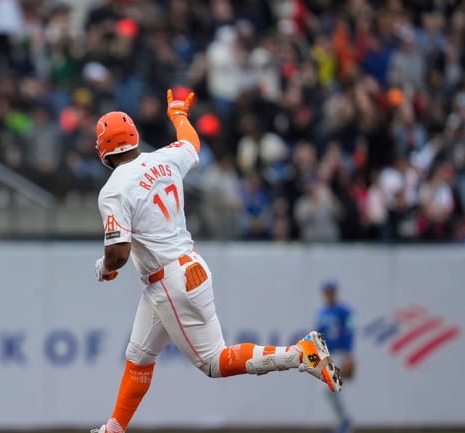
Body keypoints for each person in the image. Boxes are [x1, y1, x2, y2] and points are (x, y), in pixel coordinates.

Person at [91, 90, 343, 433]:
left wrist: (104, 268)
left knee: (214, 363)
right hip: (182, 268)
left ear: (104, 149)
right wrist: (179, 115)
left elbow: (118, 254)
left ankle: (301, 354)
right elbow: (191, 144)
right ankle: (114, 428)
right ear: (134, 137)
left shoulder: (114, 189)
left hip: (169, 282)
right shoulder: (163, 159)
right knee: (138, 355)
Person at [318, 280, 356, 433]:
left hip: (340, 353)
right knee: (330, 391)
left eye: (332, 291)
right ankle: (343, 422)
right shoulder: (322, 312)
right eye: (327, 291)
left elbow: (351, 331)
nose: (329, 294)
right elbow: (318, 334)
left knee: (331, 389)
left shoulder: (345, 311)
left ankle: (345, 423)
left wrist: (349, 354)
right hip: (328, 354)